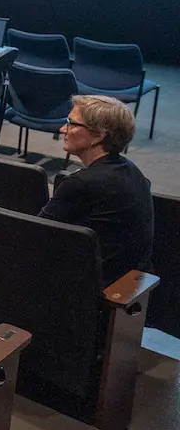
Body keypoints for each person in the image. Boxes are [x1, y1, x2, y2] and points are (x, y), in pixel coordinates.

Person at [40, 95, 154, 287]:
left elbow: (35, 235)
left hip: (98, 292)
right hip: (130, 282)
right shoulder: (133, 170)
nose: (62, 129)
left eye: (71, 123)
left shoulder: (81, 183)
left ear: (98, 135)